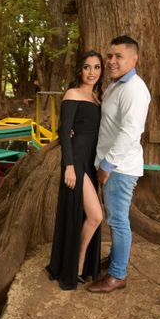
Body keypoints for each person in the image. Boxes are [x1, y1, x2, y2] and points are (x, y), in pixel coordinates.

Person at [87, 35, 150, 294]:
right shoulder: (115, 85)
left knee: (118, 221)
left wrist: (107, 165)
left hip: (119, 169)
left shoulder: (134, 89)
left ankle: (117, 275)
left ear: (134, 59)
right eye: (110, 56)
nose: (112, 61)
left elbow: (129, 132)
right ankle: (116, 261)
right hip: (111, 165)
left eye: (118, 56)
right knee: (114, 218)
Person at [46, 50, 104, 290]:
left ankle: (81, 265)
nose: (92, 72)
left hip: (92, 161)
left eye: (97, 67)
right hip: (76, 161)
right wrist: (68, 165)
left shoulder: (98, 98)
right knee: (96, 216)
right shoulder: (73, 94)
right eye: (87, 67)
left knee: (88, 216)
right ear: (79, 70)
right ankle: (76, 267)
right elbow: (64, 131)